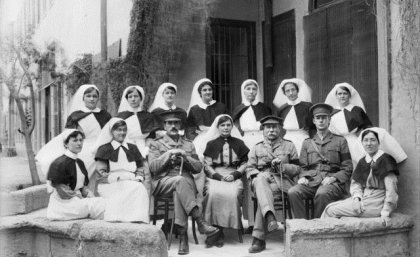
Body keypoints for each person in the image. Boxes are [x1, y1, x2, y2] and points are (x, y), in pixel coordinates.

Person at [148, 109, 219, 255]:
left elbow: (199, 168)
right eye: (169, 123)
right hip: (163, 181)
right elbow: (153, 167)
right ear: (164, 126)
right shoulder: (156, 144)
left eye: (176, 123)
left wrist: (185, 157)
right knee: (179, 182)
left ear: (180, 125)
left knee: (179, 189)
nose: (173, 126)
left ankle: (183, 237)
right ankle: (200, 221)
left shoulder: (188, 144)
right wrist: (168, 154)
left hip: (184, 182)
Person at [321, 127, 407, 226]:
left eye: (372, 140)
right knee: (330, 207)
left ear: (379, 143)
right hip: (365, 199)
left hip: (377, 203)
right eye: (365, 140)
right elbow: (356, 184)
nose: (369, 143)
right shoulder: (363, 161)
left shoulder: (386, 160)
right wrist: (357, 198)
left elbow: (391, 190)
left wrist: (385, 212)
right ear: (362, 143)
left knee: (331, 210)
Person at [288, 103, 353, 219]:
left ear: (329, 120)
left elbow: (347, 168)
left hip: (333, 182)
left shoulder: (340, 141)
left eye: (324, 118)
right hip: (312, 181)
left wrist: (334, 178)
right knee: (293, 192)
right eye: (318, 118)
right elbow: (302, 167)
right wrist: (303, 177)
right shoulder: (307, 143)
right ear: (314, 121)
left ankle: (319, 227)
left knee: (322, 193)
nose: (321, 121)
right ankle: (302, 226)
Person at [246, 116, 300, 253]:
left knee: (262, 196)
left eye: (274, 127)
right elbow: (249, 168)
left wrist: (283, 167)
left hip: (282, 181)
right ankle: (270, 217)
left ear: (280, 129)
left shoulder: (289, 145)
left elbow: (297, 169)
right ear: (263, 130)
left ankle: (259, 239)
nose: (271, 130)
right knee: (260, 180)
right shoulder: (256, 147)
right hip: (262, 181)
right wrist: (259, 175)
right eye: (267, 127)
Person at [202, 114, 249, 248]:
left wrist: (235, 174)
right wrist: (218, 177)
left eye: (228, 125)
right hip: (215, 176)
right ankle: (214, 231)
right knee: (212, 192)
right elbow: (207, 165)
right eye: (222, 125)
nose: (225, 127)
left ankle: (221, 230)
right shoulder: (211, 144)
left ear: (232, 126)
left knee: (233, 194)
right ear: (218, 127)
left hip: (233, 175)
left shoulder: (239, 143)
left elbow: (245, 163)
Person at [232, 79, 272, 229]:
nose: (251, 91)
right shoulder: (239, 109)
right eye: (248, 88)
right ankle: (251, 222)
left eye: (254, 89)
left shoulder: (264, 108)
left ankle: (266, 218)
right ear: (243, 91)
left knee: (262, 177)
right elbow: (235, 128)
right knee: (248, 181)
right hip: (246, 142)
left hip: (262, 141)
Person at [94, 118, 150, 223]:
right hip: (110, 183)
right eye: (119, 130)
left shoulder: (133, 148)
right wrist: (116, 178)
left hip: (132, 180)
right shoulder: (104, 149)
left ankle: (137, 220)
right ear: (111, 132)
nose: (122, 133)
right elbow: (101, 174)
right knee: (125, 188)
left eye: (124, 130)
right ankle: (117, 220)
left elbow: (140, 167)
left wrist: (139, 176)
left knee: (139, 188)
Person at [42, 129, 105, 220]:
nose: (79, 143)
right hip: (63, 204)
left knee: (101, 202)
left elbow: (83, 187)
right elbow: (63, 191)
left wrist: (88, 194)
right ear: (66, 144)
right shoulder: (59, 163)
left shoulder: (79, 162)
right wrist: (81, 198)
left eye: (81, 140)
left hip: (74, 201)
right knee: (97, 205)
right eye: (75, 140)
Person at [64, 84, 112, 178]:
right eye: (88, 96)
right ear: (83, 98)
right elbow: (69, 136)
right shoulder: (75, 116)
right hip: (83, 150)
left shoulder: (105, 115)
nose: (91, 99)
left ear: (98, 98)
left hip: (102, 150)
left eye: (94, 96)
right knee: (83, 177)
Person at [325, 82, 372, 167]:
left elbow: (367, 126)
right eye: (339, 94)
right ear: (336, 96)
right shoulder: (331, 111)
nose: (342, 96)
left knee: (358, 163)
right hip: (336, 142)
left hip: (353, 141)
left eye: (345, 93)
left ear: (350, 95)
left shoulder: (356, 110)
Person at [186, 78, 227, 158]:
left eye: (210, 89)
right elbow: (189, 128)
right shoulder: (195, 109)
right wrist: (197, 138)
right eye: (204, 90)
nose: (208, 92)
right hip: (202, 139)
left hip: (219, 137)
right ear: (200, 93)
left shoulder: (221, 106)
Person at [116, 85, 160, 157]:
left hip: (143, 146)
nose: (133, 99)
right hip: (124, 146)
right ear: (127, 99)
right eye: (130, 97)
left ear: (141, 98)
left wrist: (146, 148)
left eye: (136, 96)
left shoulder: (148, 116)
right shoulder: (120, 116)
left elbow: (152, 136)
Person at [273, 78, 313, 155]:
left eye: (293, 89)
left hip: (304, 138)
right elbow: (279, 127)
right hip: (287, 139)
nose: (291, 93)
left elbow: (312, 126)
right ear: (284, 93)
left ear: (297, 90)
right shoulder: (282, 109)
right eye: (287, 91)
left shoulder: (307, 106)